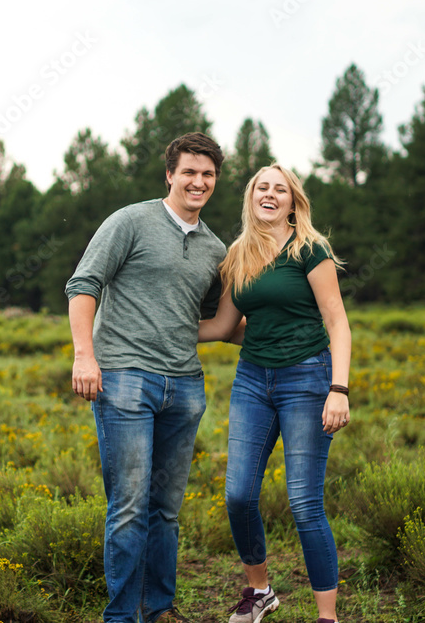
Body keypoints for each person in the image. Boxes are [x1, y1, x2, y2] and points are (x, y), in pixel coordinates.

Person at [65, 132, 228, 623]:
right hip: (124, 381)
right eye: (190, 172)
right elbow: (83, 285)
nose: (198, 182)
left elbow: (210, 322)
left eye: (208, 175)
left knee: (166, 510)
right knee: (131, 506)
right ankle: (121, 617)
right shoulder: (130, 221)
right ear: (170, 175)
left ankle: (158, 609)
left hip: (184, 387)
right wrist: (84, 356)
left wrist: (301, 333)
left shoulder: (215, 249)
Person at [198, 164, 351, 623]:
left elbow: (337, 321)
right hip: (253, 382)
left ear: (292, 201)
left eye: (279, 189)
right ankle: (259, 591)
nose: (270, 194)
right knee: (239, 496)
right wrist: (158, 327)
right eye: (262, 187)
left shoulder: (309, 248)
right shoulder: (238, 254)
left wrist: (338, 389)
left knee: (304, 503)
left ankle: (328, 617)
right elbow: (225, 327)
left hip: (308, 379)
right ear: (251, 197)